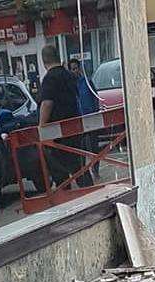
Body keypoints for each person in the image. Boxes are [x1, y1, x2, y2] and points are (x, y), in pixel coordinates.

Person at [38, 44, 91, 188]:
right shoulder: (69, 75)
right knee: (79, 166)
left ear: (44, 62)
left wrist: (41, 127)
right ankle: (90, 192)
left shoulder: (49, 79)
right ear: (58, 57)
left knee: (59, 169)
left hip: (57, 134)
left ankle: (66, 195)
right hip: (74, 127)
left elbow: (47, 103)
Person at [68, 58, 101, 179]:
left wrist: (96, 113)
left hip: (91, 119)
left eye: (76, 68)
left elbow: (95, 97)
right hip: (78, 123)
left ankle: (95, 170)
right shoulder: (69, 85)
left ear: (79, 69)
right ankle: (82, 173)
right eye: (72, 69)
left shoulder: (87, 82)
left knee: (93, 147)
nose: (74, 71)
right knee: (80, 149)